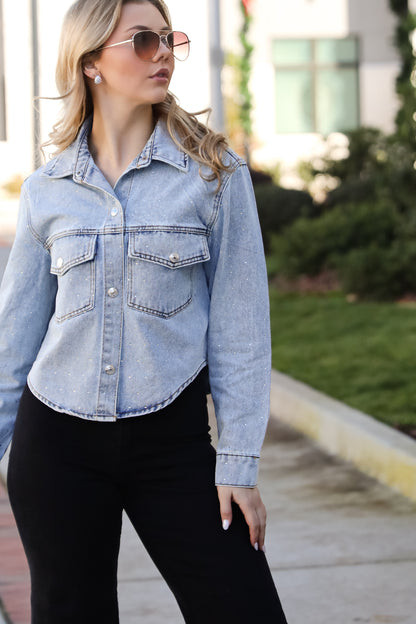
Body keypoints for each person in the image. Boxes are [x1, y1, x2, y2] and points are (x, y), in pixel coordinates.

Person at [0, 0, 288, 622]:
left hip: (175, 443)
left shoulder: (215, 174)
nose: (163, 53)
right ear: (91, 63)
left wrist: (237, 461)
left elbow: (241, 332)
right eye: (142, 40)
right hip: (56, 444)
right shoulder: (47, 189)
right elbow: (15, 340)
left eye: (169, 39)